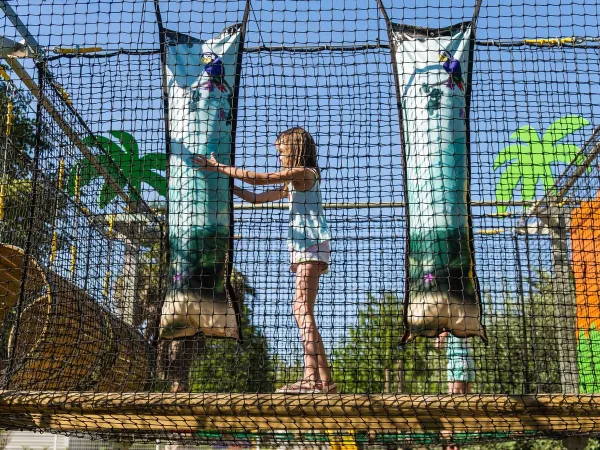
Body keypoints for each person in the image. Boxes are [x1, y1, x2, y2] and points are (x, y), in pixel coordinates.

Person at [191, 127, 336, 394]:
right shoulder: (292, 184)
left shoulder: (305, 174)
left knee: (301, 309)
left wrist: (219, 167)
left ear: (295, 149)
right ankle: (325, 381)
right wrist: (225, 183)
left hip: (311, 247)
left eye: (281, 152)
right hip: (307, 249)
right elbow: (256, 198)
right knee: (304, 311)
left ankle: (311, 379)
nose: (279, 157)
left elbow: (259, 180)